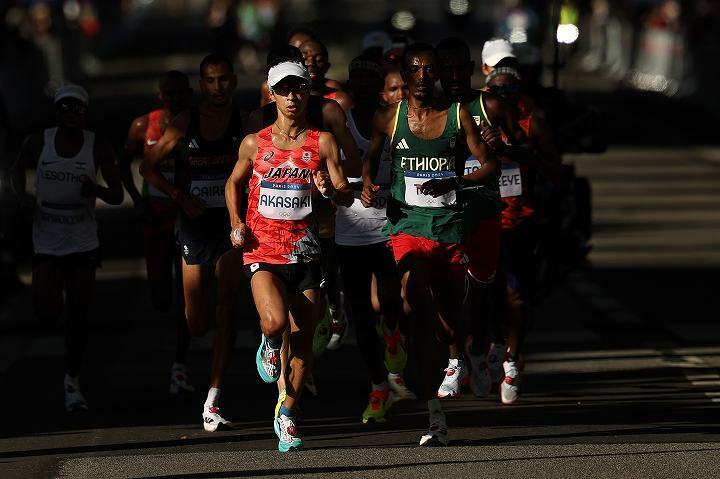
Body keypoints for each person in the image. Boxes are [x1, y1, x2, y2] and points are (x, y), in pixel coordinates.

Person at [361, 43, 499, 446]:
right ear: (404, 75)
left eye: (429, 69)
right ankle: (433, 414)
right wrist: (368, 182)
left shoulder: (458, 116)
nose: (422, 76)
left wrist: (456, 181)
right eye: (415, 69)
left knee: (446, 325)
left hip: (450, 231)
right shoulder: (389, 117)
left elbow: (489, 166)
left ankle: (453, 350)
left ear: (437, 75)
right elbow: (369, 160)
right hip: (407, 228)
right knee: (417, 305)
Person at [225, 58, 352, 451]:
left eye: (299, 88)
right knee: (275, 321)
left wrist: (328, 191)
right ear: (272, 94)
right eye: (284, 90)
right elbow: (233, 183)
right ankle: (267, 342)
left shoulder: (322, 141)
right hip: (262, 248)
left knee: (303, 344)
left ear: (307, 91)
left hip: (306, 253)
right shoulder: (255, 142)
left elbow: (344, 192)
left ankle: (288, 414)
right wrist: (235, 222)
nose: (292, 97)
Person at [140, 54, 245, 432]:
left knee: (228, 305)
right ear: (202, 86)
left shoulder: (244, 122)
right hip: (194, 226)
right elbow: (146, 166)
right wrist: (177, 195)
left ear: (233, 81)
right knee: (197, 322)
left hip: (229, 225)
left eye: (224, 80)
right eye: (211, 81)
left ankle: (213, 397)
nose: (219, 87)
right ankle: (207, 353)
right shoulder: (187, 122)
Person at [12, 84, 124, 411]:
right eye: (65, 108)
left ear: (85, 112)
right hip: (46, 239)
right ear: (57, 112)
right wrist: (23, 198)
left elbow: (116, 195)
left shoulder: (97, 147)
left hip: (82, 241)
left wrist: (97, 190)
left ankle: (72, 380)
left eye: (77, 109)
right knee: (47, 311)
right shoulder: (38, 142)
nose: (71, 114)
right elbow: (16, 168)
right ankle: (59, 321)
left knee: (78, 316)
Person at [436, 36, 521, 398]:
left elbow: (524, 150)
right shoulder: (425, 110)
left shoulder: (491, 105)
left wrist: (501, 147)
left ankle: (479, 349)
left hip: (485, 210)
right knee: (447, 291)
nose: (454, 75)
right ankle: (455, 359)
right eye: (447, 69)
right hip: (443, 213)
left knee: (484, 294)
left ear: (472, 70)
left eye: (460, 68)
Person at [335, 55, 415, 424]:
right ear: (351, 84)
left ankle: (394, 333)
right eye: (358, 78)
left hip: (388, 226)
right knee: (360, 316)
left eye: (372, 79)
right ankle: (378, 386)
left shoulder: (396, 121)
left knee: (389, 299)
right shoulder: (339, 122)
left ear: (384, 89)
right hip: (350, 232)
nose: (365, 85)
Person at [119, 71, 195, 395]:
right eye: (169, 92)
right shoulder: (142, 126)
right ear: (159, 93)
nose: (174, 98)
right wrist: (136, 200)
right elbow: (125, 164)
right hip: (155, 217)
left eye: (180, 92)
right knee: (162, 298)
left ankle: (180, 365)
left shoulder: (198, 124)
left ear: (188, 94)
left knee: (186, 299)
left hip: (187, 219)